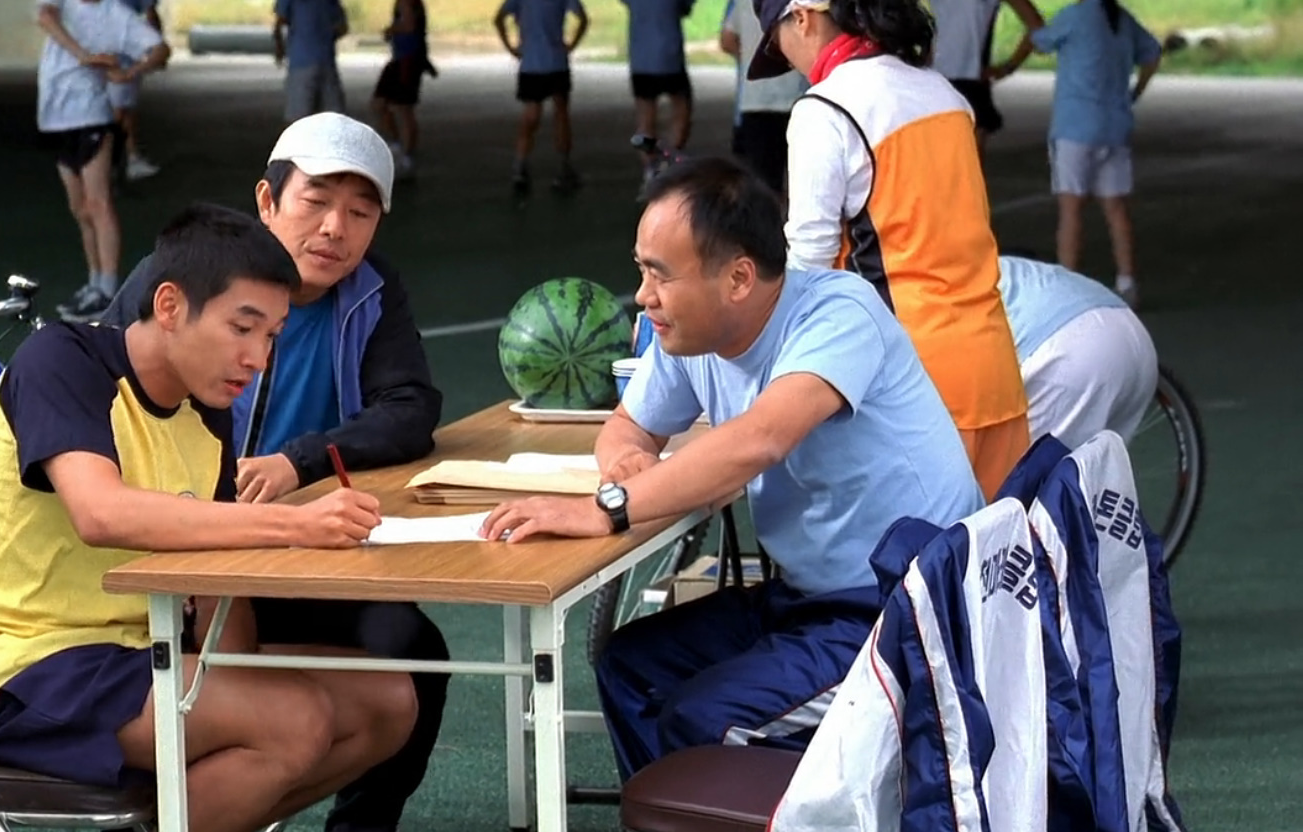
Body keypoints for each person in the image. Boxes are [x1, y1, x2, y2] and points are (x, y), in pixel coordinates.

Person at [480, 156, 984, 779]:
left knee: (704, 720)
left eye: (660, 274)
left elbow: (761, 438)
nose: (643, 295)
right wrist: (627, 460)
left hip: (908, 608)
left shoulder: (839, 312)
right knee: (632, 667)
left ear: (739, 278)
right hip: (809, 599)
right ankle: (675, 818)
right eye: (641, 269)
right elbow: (629, 424)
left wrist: (607, 508)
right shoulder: (691, 334)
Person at [0, 203, 418, 832]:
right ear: (169, 306)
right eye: (242, 328)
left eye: (272, 336)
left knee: (388, 701)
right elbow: (100, 513)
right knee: (296, 719)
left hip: (142, 648)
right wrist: (298, 525)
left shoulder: (205, 407)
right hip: (24, 670)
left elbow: (213, 583)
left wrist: (238, 675)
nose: (258, 358)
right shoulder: (62, 359)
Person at [103, 112, 447, 832]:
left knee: (410, 648)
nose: (334, 229)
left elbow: (410, 407)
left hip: (297, 556)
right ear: (267, 201)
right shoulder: (183, 279)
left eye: (360, 213)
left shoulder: (372, 291)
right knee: (252, 692)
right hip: (181, 557)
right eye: (315, 201)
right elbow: (101, 388)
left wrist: (301, 460)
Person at [749, 0, 1030, 500]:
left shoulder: (826, 109)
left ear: (802, 18)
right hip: (993, 370)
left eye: (777, 44)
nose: (787, 60)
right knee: (998, 546)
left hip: (911, 389)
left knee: (911, 552)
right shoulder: (943, 93)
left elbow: (809, 261)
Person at [997, 0, 1161, 308]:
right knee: (1116, 210)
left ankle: (1068, 286)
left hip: (1075, 126)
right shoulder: (1123, 20)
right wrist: (1135, 92)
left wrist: (1009, 59)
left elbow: (1040, 41)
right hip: (1115, 126)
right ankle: (1127, 281)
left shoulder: (1074, 16)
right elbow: (1152, 55)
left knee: (1071, 210)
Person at [35, 0, 171, 322]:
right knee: (80, 207)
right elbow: (45, 17)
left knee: (98, 203)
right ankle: (94, 282)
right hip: (55, 119)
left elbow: (160, 50)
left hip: (91, 115)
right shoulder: (61, 5)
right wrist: (83, 54)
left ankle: (108, 289)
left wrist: (129, 73)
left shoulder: (116, 15)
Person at [997, 252, 1157, 450]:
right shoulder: (989, 268)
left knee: (1010, 465)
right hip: (1132, 334)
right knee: (1098, 465)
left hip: (1069, 355)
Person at [494, 0, 589, 194]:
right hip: (556, 62)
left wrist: (511, 48)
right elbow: (583, 19)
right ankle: (564, 166)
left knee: (531, 117)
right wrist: (571, 46)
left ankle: (520, 166)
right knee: (561, 115)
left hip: (531, 64)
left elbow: (499, 19)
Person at [927, 0, 1044, 155]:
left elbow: (1036, 25)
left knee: (962, 161)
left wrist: (1009, 67)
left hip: (967, 81)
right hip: (938, 80)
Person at [718, 0, 807, 199]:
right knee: (802, 181)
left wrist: (751, 56)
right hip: (797, 97)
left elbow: (727, 40)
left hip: (755, 100)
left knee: (762, 185)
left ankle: (771, 216)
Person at [620, 0, 693, 183]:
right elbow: (685, 9)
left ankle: (650, 168)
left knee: (645, 119)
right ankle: (670, 158)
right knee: (681, 109)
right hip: (670, 56)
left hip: (641, 58)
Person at [372, 0, 437, 179]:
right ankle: (397, 145)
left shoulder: (408, 2)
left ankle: (407, 156)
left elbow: (410, 26)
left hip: (408, 61)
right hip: (399, 60)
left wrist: (391, 30)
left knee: (403, 109)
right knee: (379, 104)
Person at [108, 0, 163, 181]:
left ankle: (129, 158)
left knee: (124, 110)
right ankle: (108, 162)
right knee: (118, 112)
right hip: (121, 55)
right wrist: (156, 46)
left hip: (114, 52)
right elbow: (151, 14)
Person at [274, 0, 348, 123]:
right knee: (333, 116)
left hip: (301, 60)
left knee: (298, 118)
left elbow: (279, 23)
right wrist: (326, 36)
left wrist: (280, 47)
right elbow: (342, 27)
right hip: (326, 60)